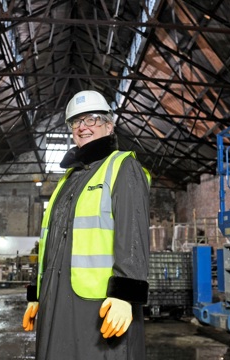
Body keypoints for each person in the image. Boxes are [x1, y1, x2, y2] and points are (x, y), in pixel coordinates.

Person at [22, 90, 151, 359]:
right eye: (76, 121)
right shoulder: (68, 179)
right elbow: (49, 242)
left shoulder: (122, 167)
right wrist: (37, 294)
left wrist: (125, 294)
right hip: (56, 299)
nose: (83, 127)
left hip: (99, 303)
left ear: (109, 124)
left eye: (91, 119)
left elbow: (133, 236)